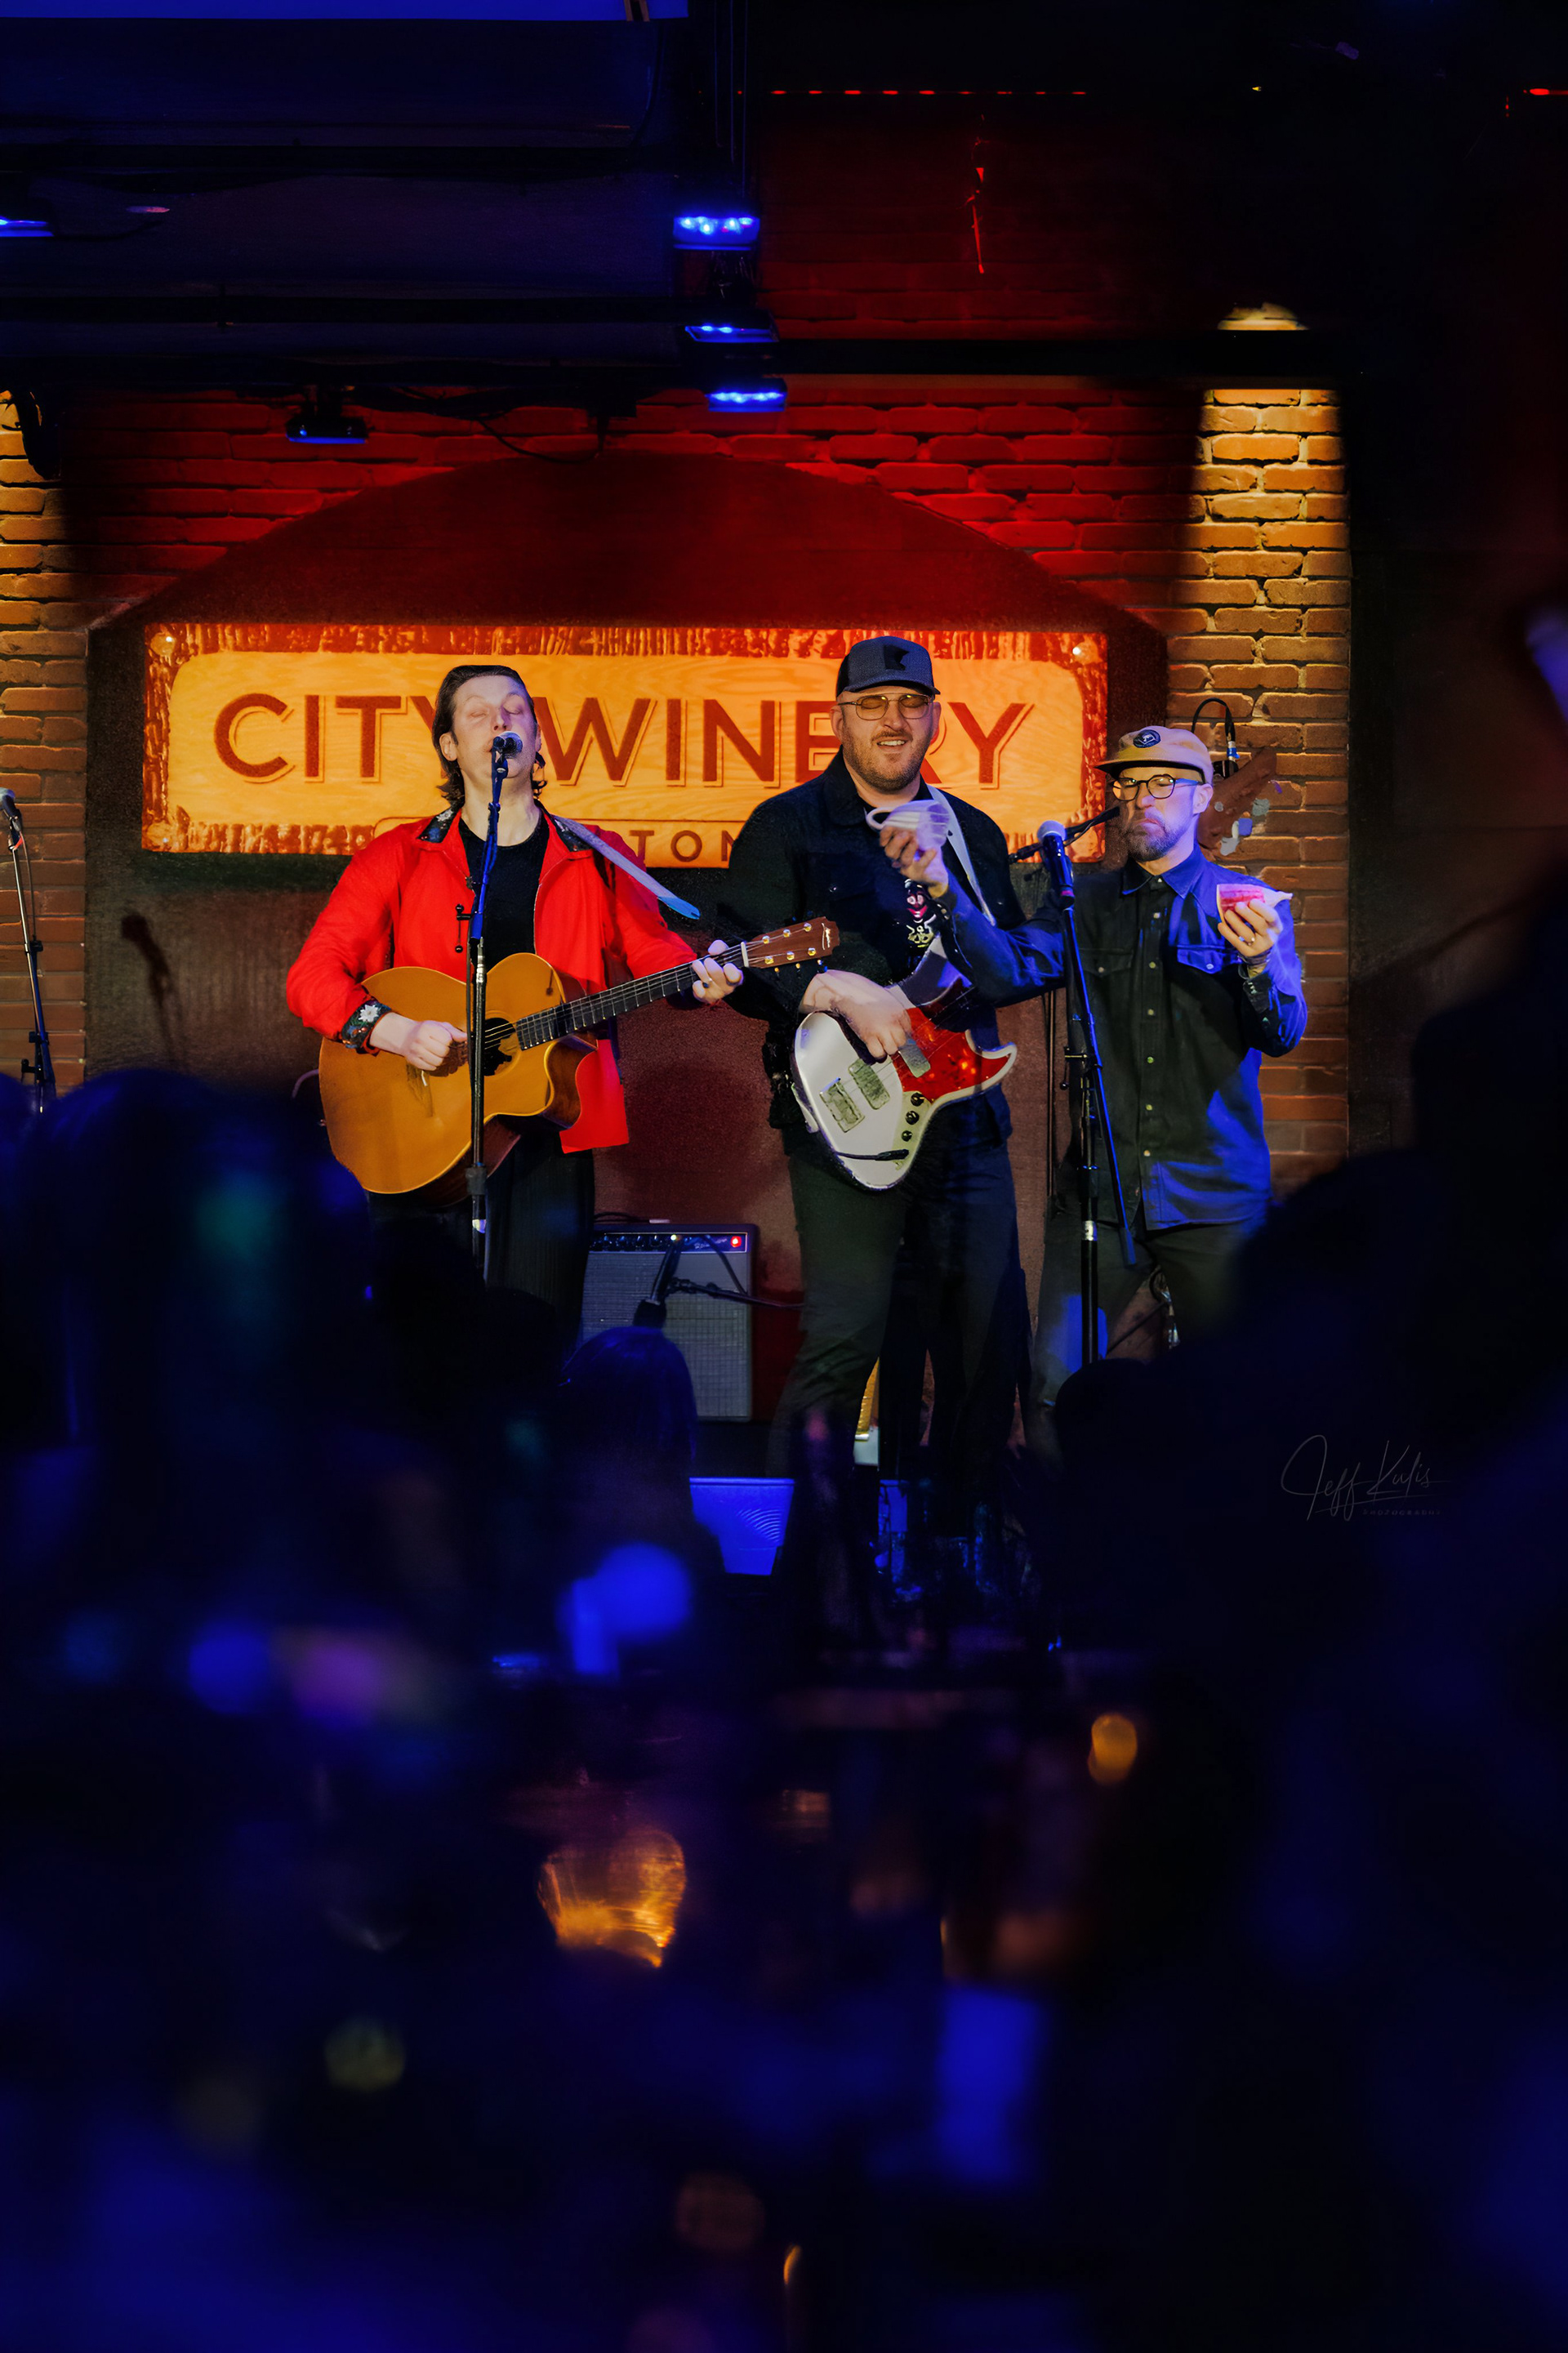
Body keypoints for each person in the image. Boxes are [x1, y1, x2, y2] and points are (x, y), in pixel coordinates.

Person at [287, 665, 740, 1352]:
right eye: (478, 712)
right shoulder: (397, 856)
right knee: (413, 1345)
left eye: (516, 709)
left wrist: (695, 979)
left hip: (551, 1119)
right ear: (448, 745)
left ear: (537, 735)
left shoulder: (595, 855)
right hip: (416, 1128)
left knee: (536, 1339)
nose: (501, 721)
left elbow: (654, 950)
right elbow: (312, 977)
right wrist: (398, 1031)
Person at [881, 721, 1307, 1415]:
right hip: (1101, 1196)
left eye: (1162, 783)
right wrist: (941, 886)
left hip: (1214, 1197)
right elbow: (1005, 971)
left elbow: (1283, 1032)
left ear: (1202, 797)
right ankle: (1068, 1492)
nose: (1140, 798)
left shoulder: (1244, 902)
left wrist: (1259, 965)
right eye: (1128, 784)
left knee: (1238, 1394)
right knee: (1053, 1389)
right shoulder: (1082, 902)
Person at [716, 635, 1038, 1509]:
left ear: (936, 717)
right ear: (839, 719)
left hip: (964, 1118)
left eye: (911, 703)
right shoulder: (787, 825)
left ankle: (958, 1544)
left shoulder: (970, 832)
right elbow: (736, 959)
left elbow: (1011, 965)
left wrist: (947, 885)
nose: (893, 721)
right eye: (872, 705)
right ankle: (805, 1554)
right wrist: (827, 988)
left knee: (985, 1342)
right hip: (846, 1120)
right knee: (844, 1336)